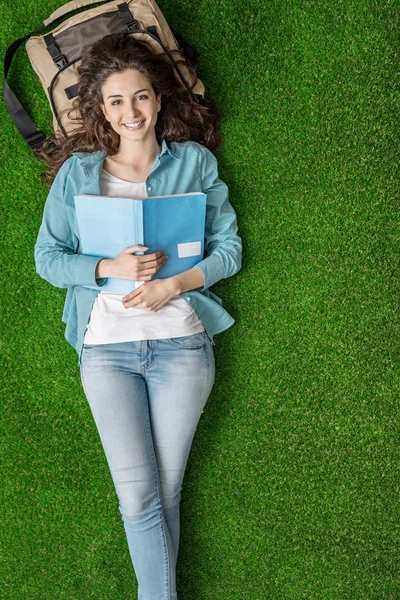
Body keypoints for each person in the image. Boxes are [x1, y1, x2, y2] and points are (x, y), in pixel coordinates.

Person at [34, 32, 241, 600]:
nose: (132, 113)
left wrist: (172, 283)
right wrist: (107, 267)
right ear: (102, 108)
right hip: (106, 352)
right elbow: (48, 260)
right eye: (118, 101)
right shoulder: (79, 174)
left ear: (158, 99)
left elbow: (229, 250)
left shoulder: (194, 162)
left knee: (163, 494)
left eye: (142, 97)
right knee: (137, 497)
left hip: (182, 348)